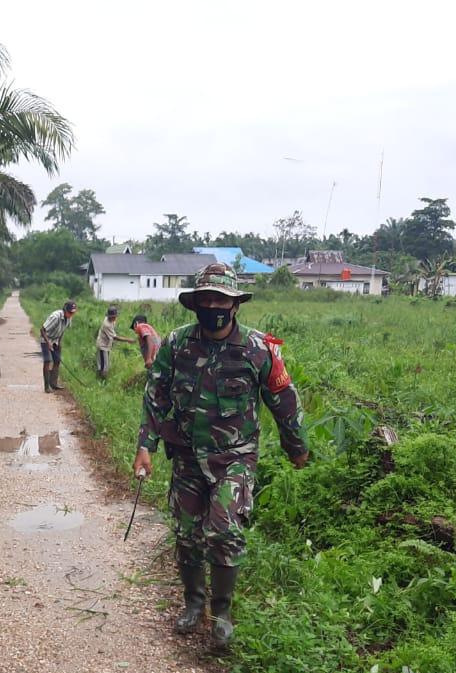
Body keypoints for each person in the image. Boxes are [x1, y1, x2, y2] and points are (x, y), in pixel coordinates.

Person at [131, 264, 308, 651]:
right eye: (206, 299)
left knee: (225, 529)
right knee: (187, 534)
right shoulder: (177, 345)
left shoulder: (258, 350)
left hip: (234, 458)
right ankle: (193, 604)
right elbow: (155, 397)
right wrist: (146, 446)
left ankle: (222, 613)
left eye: (221, 300)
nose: (213, 306)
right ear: (196, 304)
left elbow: (284, 401)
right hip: (187, 456)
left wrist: (297, 447)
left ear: (235, 305)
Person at [39, 300, 76, 393]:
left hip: (56, 339)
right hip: (46, 338)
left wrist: (59, 343)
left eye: (73, 313)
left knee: (57, 360)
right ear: (65, 310)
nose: (71, 314)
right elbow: (42, 330)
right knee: (47, 361)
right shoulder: (55, 317)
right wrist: (48, 343)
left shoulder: (69, 318)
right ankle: (47, 387)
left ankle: (53, 383)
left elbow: (62, 330)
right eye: (70, 312)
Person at [94, 305, 135, 378]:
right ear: (109, 316)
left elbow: (113, 333)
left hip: (107, 345)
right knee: (104, 366)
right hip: (102, 346)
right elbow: (115, 337)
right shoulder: (107, 325)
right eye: (113, 316)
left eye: (115, 316)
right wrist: (128, 340)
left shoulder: (112, 320)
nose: (115, 318)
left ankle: (101, 378)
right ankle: (101, 380)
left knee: (105, 364)